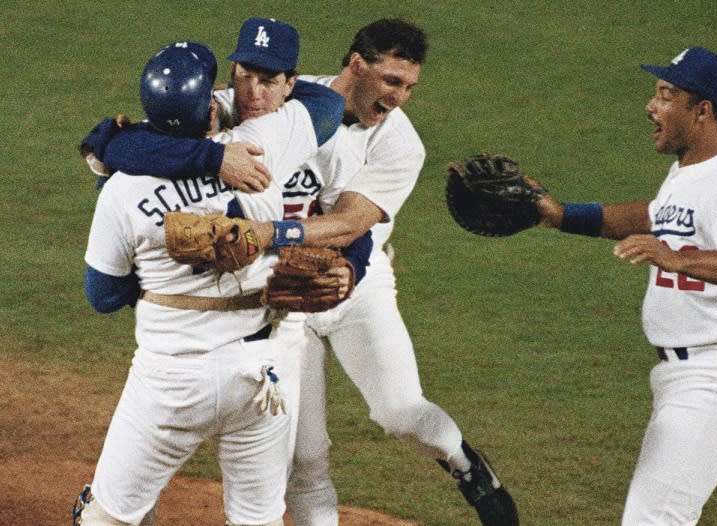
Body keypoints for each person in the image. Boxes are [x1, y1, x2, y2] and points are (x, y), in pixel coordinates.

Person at [81, 18, 519, 526]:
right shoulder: (254, 107)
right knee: (304, 458)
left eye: (407, 86)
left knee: (399, 411)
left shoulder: (385, 140)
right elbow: (118, 141)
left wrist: (312, 255)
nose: (254, 91)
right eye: (391, 82)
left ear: (289, 81)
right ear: (357, 66)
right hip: (274, 296)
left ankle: (464, 463)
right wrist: (215, 156)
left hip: (351, 278)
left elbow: (353, 224)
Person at [75, 36, 347, 525]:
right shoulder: (261, 145)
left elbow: (102, 296)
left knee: (108, 517)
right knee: (257, 520)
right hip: (258, 373)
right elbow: (328, 103)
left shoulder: (120, 187)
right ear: (213, 103)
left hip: (169, 381)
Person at [533, 47, 717, 524]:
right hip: (686, 374)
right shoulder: (691, 170)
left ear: (701, 110)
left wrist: (674, 258)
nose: (651, 105)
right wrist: (561, 216)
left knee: (654, 519)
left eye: (667, 95)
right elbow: (653, 215)